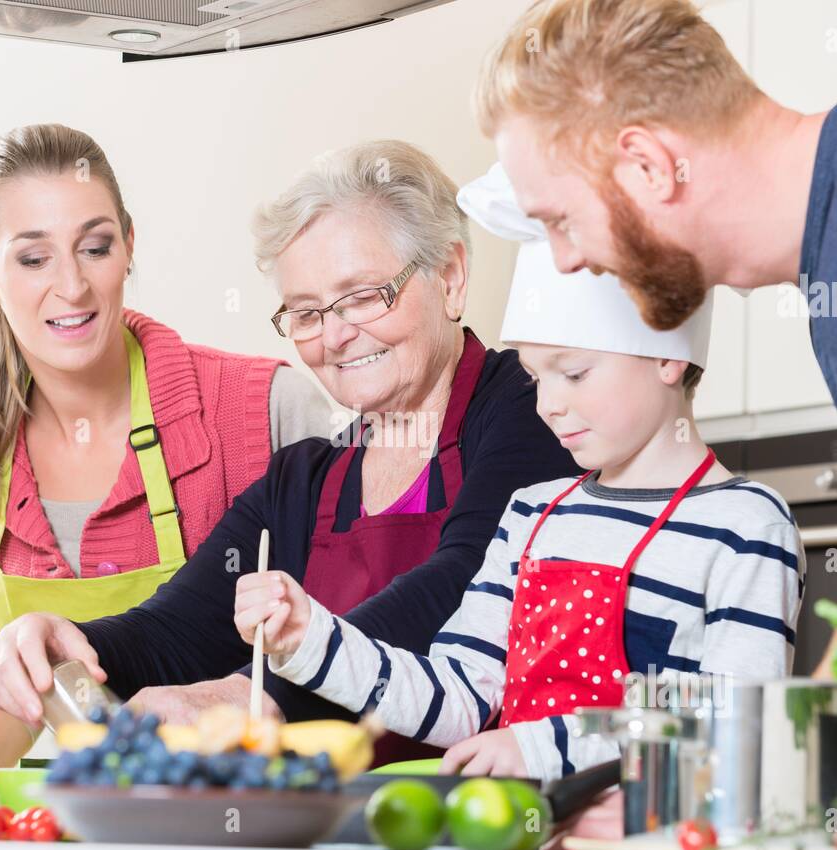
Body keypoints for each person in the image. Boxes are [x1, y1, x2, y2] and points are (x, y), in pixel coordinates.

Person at [474, 0, 837, 688]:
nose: (564, 260)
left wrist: (798, 753)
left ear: (649, 166)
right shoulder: (833, 285)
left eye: (562, 219)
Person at [0, 141, 580, 769]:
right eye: (307, 312)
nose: (338, 336)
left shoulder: (533, 409)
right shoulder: (306, 480)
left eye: (365, 295)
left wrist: (255, 696)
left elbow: (464, 584)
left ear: (449, 276)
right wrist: (65, 641)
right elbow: (179, 631)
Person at [232, 162, 803, 781]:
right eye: (535, 377)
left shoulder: (744, 525)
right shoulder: (533, 514)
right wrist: (312, 637)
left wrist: (540, 748)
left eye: (575, 373)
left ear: (666, 353)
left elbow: (735, 725)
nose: (548, 403)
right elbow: (454, 698)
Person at [0, 123, 332, 795]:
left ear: (128, 247)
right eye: (33, 258)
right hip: (112, 821)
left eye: (95, 247)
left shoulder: (267, 410)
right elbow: (25, 672)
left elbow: (378, 633)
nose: (72, 286)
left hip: (267, 819)